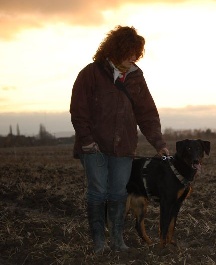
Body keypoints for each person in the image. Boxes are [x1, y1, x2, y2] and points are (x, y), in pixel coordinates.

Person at [70, 25, 169, 254]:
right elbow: (78, 111)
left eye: (137, 53)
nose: (133, 57)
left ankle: (117, 241)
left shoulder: (136, 78)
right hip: (93, 146)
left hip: (124, 147)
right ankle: (99, 243)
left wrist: (159, 144)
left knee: (117, 193)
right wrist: (86, 141)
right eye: (129, 52)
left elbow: (147, 114)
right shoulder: (91, 73)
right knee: (97, 191)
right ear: (115, 49)